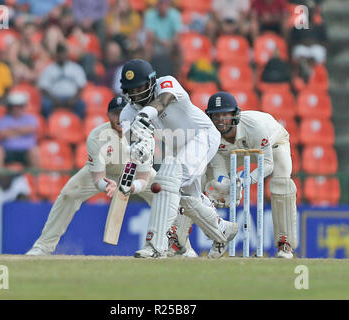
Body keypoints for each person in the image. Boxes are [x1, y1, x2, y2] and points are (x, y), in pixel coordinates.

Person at [119, 59, 238, 259]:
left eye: (139, 87)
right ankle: (222, 229)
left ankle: (155, 246)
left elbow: (162, 101)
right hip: (176, 149)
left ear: (150, 82)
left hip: (203, 136)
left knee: (166, 183)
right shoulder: (128, 112)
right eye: (130, 90)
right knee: (185, 197)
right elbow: (133, 141)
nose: (135, 94)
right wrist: (139, 149)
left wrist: (144, 116)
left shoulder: (167, 83)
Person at [26, 95, 162, 256]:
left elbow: (143, 177)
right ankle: (43, 246)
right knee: (69, 194)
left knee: (163, 193)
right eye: (115, 113)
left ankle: (179, 246)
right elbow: (98, 178)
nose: (119, 118)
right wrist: (107, 185)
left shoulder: (142, 135)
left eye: (123, 113)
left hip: (134, 172)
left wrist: (131, 187)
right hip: (106, 173)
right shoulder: (97, 136)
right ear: (108, 116)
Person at [202, 91, 297, 258]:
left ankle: (285, 244)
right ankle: (185, 243)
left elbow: (267, 164)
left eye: (225, 115)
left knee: (282, 184)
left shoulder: (254, 127)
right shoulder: (212, 135)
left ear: (235, 115)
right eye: (216, 116)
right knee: (203, 177)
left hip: (274, 144)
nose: (220, 121)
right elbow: (220, 170)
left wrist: (244, 182)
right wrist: (226, 186)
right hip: (233, 151)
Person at [37, 43, 87, 119]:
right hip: (53, 98)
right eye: (59, 54)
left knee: (81, 104)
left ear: (67, 54)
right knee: (45, 104)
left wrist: (74, 98)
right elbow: (43, 88)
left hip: (71, 97)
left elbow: (81, 86)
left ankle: (77, 124)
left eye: (63, 53)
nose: (61, 56)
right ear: (56, 55)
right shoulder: (49, 69)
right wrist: (53, 99)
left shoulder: (76, 68)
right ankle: (49, 125)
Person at [0, 92, 39, 169]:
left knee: (35, 151)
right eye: (13, 106)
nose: (16, 108)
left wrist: (12, 130)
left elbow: (31, 129)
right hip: (8, 150)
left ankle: (36, 178)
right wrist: (22, 130)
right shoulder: (4, 119)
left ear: (23, 106)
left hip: (26, 150)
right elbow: (3, 134)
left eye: (19, 106)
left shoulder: (30, 118)